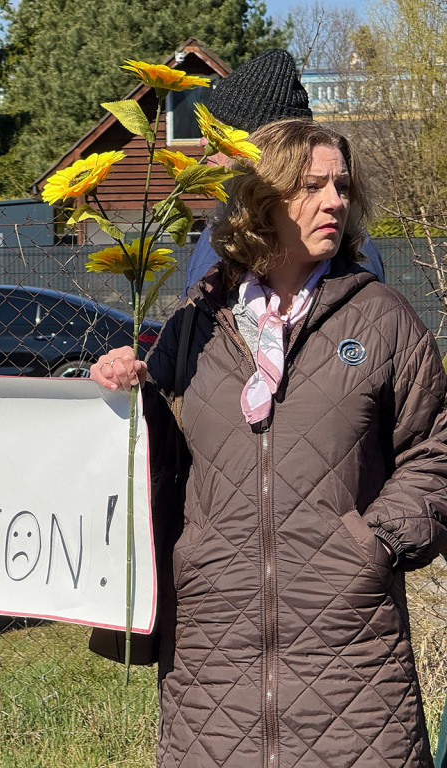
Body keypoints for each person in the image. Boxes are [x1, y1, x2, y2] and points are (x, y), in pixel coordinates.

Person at [92, 119, 447, 766]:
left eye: (342, 185)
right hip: (212, 657)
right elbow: (152, 463)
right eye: (312, 186)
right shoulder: (194, 328)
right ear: (262, 203)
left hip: (353, 655)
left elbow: (434, 454)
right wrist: (126, 391)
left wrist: (375, 544)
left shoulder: (385, 320)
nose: (335, 200)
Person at [184, 48, 385, 294]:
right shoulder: (220, 234)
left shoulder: (348, 248)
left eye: (218, 133)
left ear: (262, 151)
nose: (204, 143)